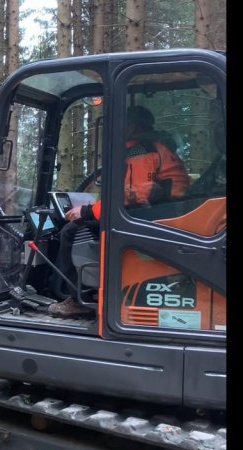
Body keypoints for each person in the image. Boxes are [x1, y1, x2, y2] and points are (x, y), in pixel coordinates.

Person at [48, 105, 191, 317]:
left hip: (149, 216)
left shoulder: (139, 151)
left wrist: (86, 212)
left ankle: (80, 299)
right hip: (163, 212)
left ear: (131, 126)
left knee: (70, 231)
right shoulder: (156, 147)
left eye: (121, 124)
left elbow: (132, 197)